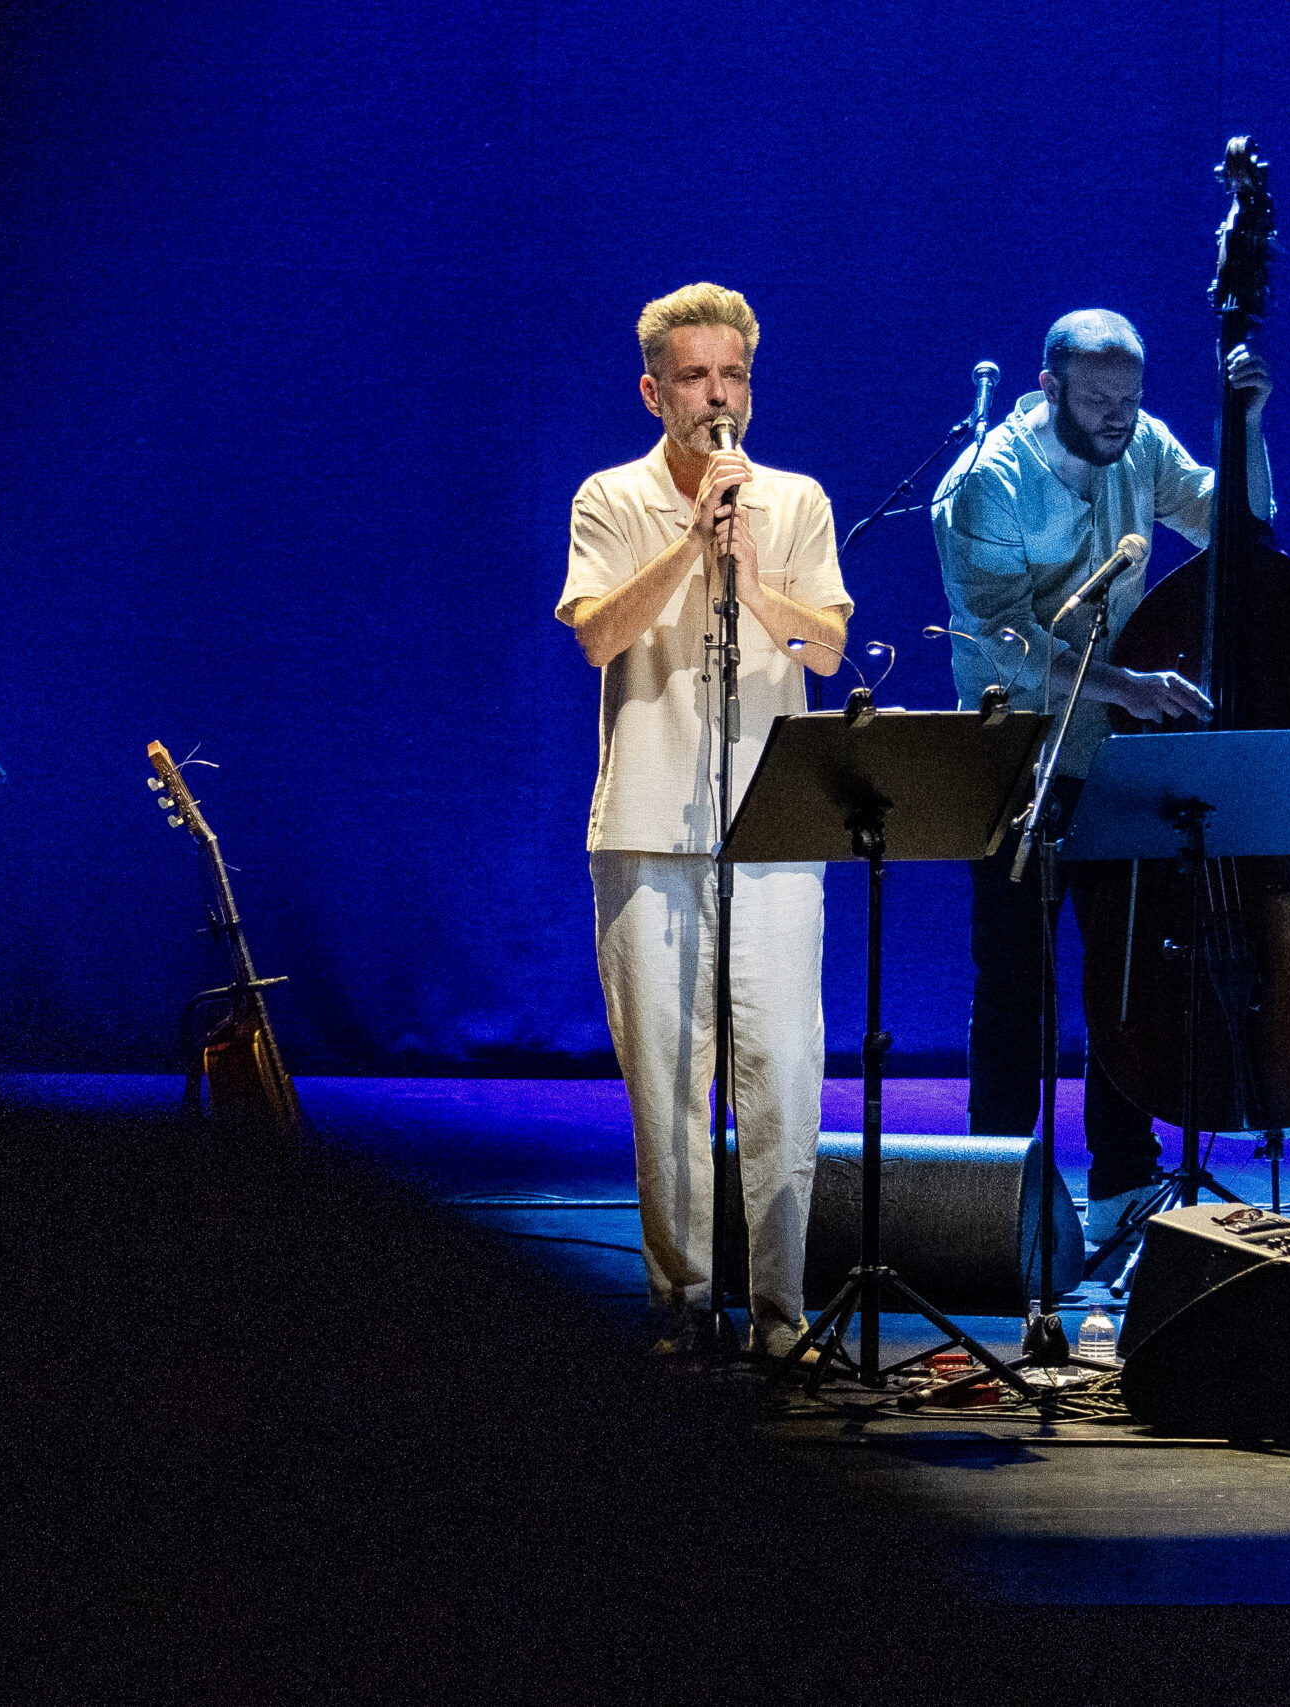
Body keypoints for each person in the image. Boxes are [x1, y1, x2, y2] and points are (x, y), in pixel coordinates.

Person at [556, 283, 854, 1357]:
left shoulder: (796, 500)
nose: (715, 395)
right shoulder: (608, 497)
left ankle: (780, 1315)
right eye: (693, 377)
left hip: (774, 831)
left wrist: (748, 575)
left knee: (781, 1072)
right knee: (668, 1089)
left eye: (731, 375)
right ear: (652, 392)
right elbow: (595, 637)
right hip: (644, 828)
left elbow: (822, 648)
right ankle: (680, 1311)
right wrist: (689, 544)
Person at [933, 308, 1272, 1245]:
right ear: (1050, 390)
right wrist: (1125, 682)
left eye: (1131, 396)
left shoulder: (1145, 446)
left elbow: (1241, 538)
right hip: (1018, 762)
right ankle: (995, 1197)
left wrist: (1243, 428)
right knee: (1014, 987)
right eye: (1098, 398)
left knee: (1127, 983)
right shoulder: (986, 484)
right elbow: (999, 635)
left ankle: (1126, 1185)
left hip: (1117, 763)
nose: (1120, 416)